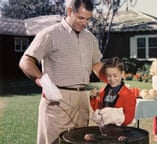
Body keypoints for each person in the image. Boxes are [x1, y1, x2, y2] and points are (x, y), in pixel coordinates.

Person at [19, 0, 105, 143]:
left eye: (88, 19)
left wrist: (114, 82)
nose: (84, 23)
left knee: (80, 141)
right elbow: (26, 62)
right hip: (57, 101)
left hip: (83, 100)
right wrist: (44, 82)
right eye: (81, 18)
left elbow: (96, 65)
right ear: (70, 11)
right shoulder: (50, 34)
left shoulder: (90, 38)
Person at [90, 57, 136, 127]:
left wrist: (114, 117)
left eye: (115, 75)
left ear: (122, 74)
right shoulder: (103, 92)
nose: (112, 79)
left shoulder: (128, 94)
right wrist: (93, 98)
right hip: (104, 128)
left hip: (122, 130)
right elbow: (98, 109)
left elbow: (129, 117)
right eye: (109, 76)